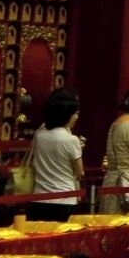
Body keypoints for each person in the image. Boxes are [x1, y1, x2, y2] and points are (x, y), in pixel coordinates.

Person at [25, 88, 84, 221]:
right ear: (67, 114)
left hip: (39, 198)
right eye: (76, 113)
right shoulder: (71, 139)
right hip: (64, 200)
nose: (77, 117)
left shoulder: (39, 135)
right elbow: (79, 172)